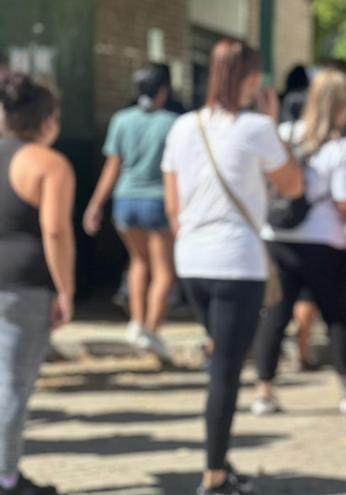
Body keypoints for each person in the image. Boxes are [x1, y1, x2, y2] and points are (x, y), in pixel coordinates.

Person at [161, 38, 303, 495]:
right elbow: (294, 184)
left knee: (218, 361)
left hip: (191, 261)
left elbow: (173, 205)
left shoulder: (183, 127)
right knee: (225, 371)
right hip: (236, 263)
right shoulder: (258, 127)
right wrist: (275, 121)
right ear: (247, 78)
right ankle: (214, 476)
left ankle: (218, 457)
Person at [253, 68, 346, 417]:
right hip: (324, 241)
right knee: (335, 315)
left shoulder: (284, 135)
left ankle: (264, 391)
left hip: (277, 236)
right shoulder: (340, 149)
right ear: (342, 106)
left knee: (275, 314)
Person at [0, 72, 74, 495]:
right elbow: (56, 232)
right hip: (24, 285)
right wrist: (65, 289)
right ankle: (7, 478)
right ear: (48, 121)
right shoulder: (49, 164)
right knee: (12, 386)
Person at [83, 63, 178, 361]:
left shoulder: (121, 120)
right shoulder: (173, 122)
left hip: (125, 199)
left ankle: (136, 323)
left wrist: (96, 204)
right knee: (164, 272)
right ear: (164, 91)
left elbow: (113, 166)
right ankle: (151, 328)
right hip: (159, 200)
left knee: (137, 262)